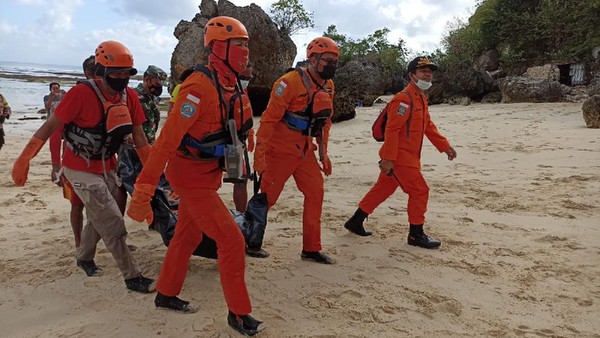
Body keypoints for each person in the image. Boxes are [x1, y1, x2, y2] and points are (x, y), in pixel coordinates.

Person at [127, 16, 264, 336]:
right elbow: (165, 143)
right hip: (187, 176)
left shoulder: (235, 89)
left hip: (209, 176)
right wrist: (144, 191)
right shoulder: (197, 87)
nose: (245, 51)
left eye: (247, 45)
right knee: (231, 239)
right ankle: (239, 313)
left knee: (187, 236)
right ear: (219, 48)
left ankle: (166, 293)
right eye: (239, 45)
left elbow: (243, 129)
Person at [11, 40, 155, 293]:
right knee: (111, 220)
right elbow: (50, 128)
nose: (122, 78)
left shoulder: (129, 96)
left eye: (127, 73)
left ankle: (84, 257)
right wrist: (25, 159)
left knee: (97, 218)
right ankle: (132, 276)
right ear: (102, 71)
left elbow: (140, 138)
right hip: (79, 166)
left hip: (108, 165)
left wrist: (152, 176)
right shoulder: (80, 94)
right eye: (116, 73)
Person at [343, 56, 457, 248]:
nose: (428, 74)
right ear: (411, 75)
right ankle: (416, 234)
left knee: (383, 189)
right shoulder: (403, 99)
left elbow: (428, 125)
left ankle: (355, 221)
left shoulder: (420, 97)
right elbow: (392, 130)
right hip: (399, 158)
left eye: (430, 71)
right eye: (423, 71)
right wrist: (388, 159)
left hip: (407, 157)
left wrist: (444, 146)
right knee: (420, 192)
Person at [253, 37, 339, 264]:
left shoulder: (328, 86)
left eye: (334, 60)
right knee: (267, 199)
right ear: (313, 58)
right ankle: (250, 241)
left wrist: (323, 153)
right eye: (328, 60)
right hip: (279, 151)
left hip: (304, 151)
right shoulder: (289, 82)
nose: (332, 64)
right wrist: (259, 156)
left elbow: (324, 122)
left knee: (315, 192)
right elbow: (268, 120)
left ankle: (311, 248)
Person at [48, 56, 96, 249]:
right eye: (96, 71)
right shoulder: (75, 96)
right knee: (77, 204)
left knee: (103, 205)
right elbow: (54, 132)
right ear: (88, 73)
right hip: (74, 161)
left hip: (103, 161)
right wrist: (56, 165)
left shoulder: (111, 95)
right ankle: (79, 244)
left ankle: (101, 241)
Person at [232, 63, 255, 212]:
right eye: (242, 77)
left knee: (241, 180)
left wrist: (251, 133)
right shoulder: (221, 88)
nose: (245, 80)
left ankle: (242, 215)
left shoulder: (243, 90)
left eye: (248, 77)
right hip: (224, 142)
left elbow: (247, 113)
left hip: (235, 143)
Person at [135, 65, 167, 144]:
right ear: (147, 80)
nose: (159, 87)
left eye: (161, 85)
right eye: (157, 83)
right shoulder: (134, 97)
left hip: (149, 145)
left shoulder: (154, 98)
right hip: (134, 147)